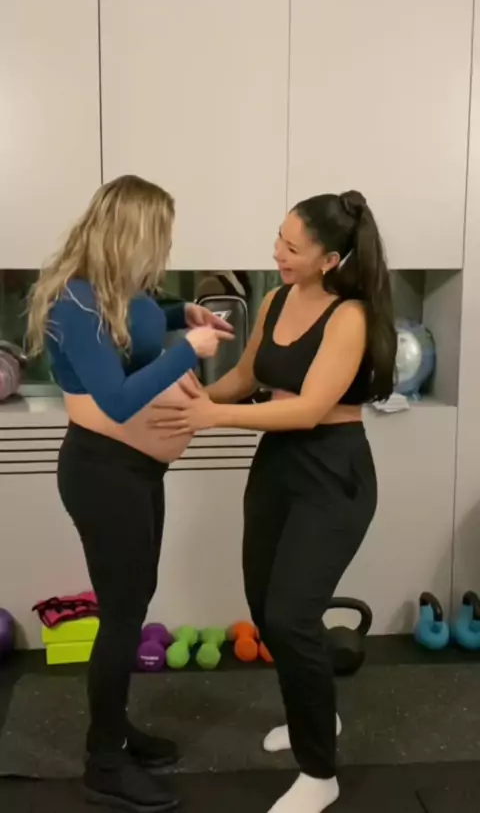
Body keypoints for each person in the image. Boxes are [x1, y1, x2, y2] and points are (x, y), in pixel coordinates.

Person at [149, 190, 397, 813]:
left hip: (334, 471)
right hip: (278, 466)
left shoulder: (350, 317)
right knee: (265, 606)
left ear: (330, 259)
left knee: (291, 615)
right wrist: (189, 396)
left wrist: (213, 419)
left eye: (292, 247)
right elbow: (246, 378)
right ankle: (316, 716)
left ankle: (320, 773)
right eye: (278, 239)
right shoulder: (276, 300)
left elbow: (310, 409)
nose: (278, 254)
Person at [27, 174, 233, 813]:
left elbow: (139, 322)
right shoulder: (75, 302)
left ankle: (116, 729)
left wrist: (180, 314)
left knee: (134, 602)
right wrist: (189, 350)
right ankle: (104, 762)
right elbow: (116, 401)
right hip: (100, 473)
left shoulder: (120, 289)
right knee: (120, 616)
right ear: (132, 234)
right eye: (159, 236)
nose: (165, 249)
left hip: (137, 472)